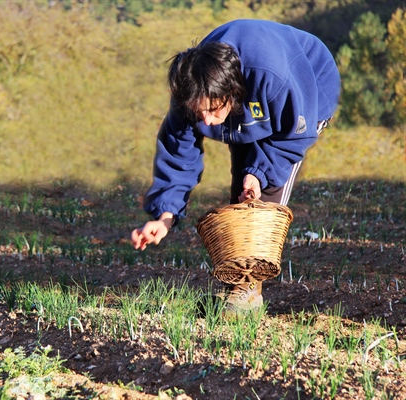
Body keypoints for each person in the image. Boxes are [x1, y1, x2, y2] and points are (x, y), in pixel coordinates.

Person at [130, 19, 341, 313]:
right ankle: (239, 285)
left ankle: (246, 294)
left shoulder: (272, 77)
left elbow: (294, 134)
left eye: (213, 111)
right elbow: (179, 153)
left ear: (230, 93)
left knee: (261, 196)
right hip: (253, 100)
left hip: (307, 88)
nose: (205, 121)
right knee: (241, 187)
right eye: (198, 112)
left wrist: (260, 174)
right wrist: (164, 216)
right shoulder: (192, 91)